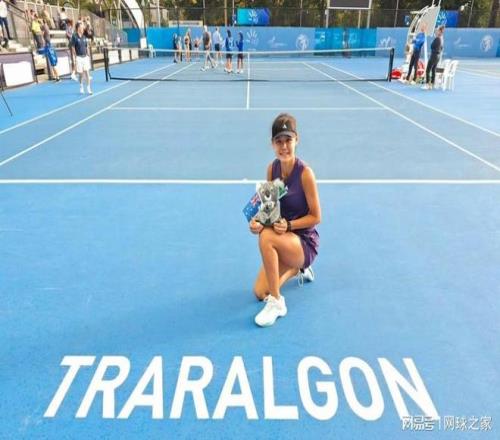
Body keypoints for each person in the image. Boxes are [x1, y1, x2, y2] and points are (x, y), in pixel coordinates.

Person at [249, 113, 321, 327]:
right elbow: (269, 206)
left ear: (296, 140)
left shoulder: (305, 174)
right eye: (278, 141)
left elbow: (316, 216)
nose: (284, 146)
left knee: (266, 237)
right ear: (272, 144)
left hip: (304, 243)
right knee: (259, 292)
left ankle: (277, 302)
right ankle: (297, 270)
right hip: (284, 238)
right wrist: (257, 220)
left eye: (288, 140)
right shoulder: (272, 169)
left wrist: (289, 225)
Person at [70, 21, 92, 94]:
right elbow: (72, 47)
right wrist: (76, 56)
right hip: (79, 57)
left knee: (87, 73)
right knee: (81, 74)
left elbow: (86, 46)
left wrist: (88, 54)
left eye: (82, 27)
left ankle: (88, 88)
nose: (82, 28)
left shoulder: (84, 36)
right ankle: (81, 86)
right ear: (78, 28)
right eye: (81, 27)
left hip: (85, 57)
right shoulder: (74, 36)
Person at [422, 25, 445, 90]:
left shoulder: (438, 38)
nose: (436, 31)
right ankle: (432, 84)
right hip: (437, 57)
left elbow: (432, 46)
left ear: (439, 31)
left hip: (434, 56)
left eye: (437, 31)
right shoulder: (441, 39)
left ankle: (427, 85)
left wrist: (434, 46)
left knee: (428, 70)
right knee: (433, 70)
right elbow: (441, 48)